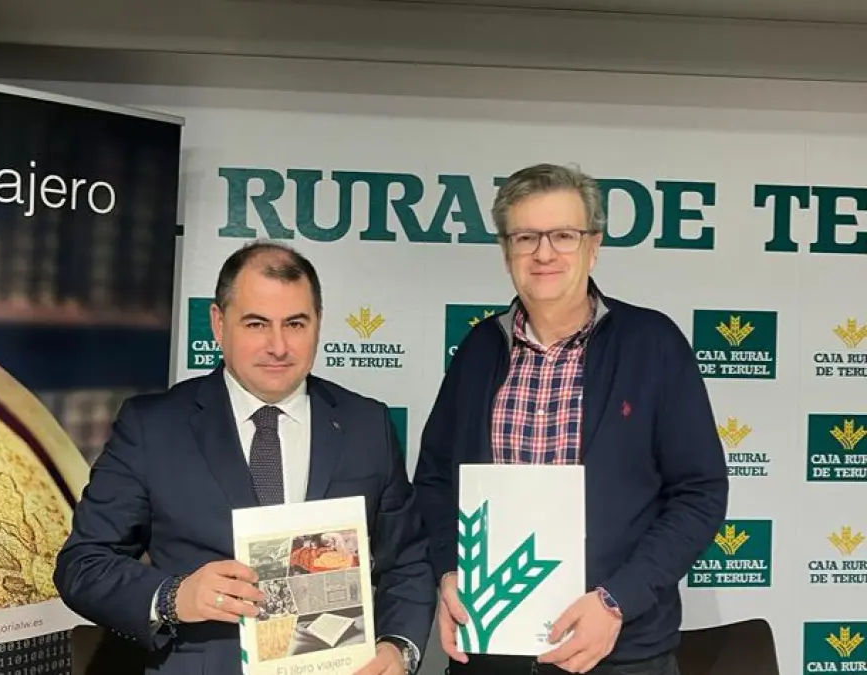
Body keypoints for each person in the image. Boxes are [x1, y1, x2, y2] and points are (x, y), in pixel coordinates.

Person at [55, 241, 435, 675]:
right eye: (256, 324)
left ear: (318, 323)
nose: (278, 346)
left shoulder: (366, 425)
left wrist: (399, 648)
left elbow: (407, 561)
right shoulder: (153, 428)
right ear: (219, 324)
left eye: (295, 324)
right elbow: (83, 565)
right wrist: (174, 596)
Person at [412, 163, 728, 675]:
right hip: (492, 649)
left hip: (619, 653)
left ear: (593, 245)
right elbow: (433, 479)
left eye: (563, 235)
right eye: (525, 237)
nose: (544, 253)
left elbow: (700, 493)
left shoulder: (653, 345)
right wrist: (449, 569)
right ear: (506, 251)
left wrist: (617, 601)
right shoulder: (478, 350)